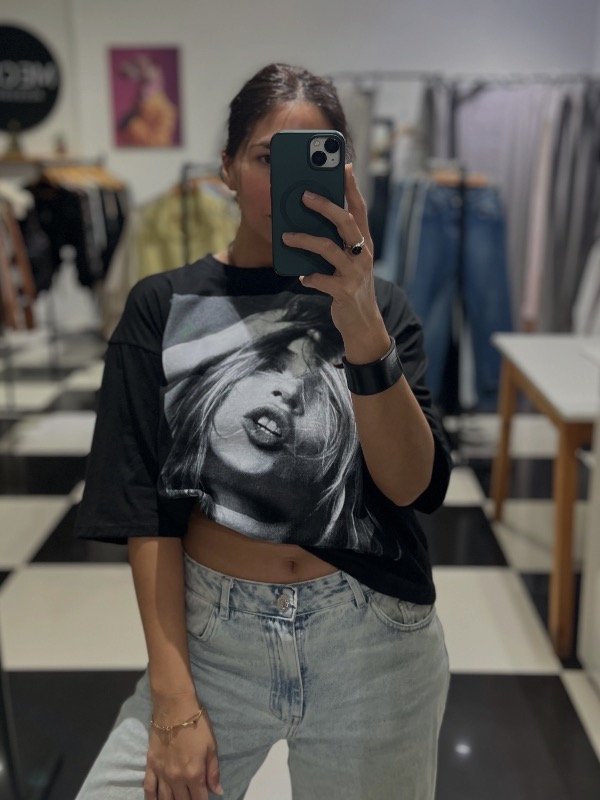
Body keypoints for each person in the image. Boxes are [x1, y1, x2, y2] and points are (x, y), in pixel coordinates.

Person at [73, 62, 453, 800]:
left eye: (316, 161)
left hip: (373, 640)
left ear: (345, 174)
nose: (291, 185)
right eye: (265, 159)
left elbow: (413, 485)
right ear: (226, 168)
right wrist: (173, 700)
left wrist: (359, 317)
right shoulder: (163, 305)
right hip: (215, 643)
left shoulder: (382, 308)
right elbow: (144, 512)